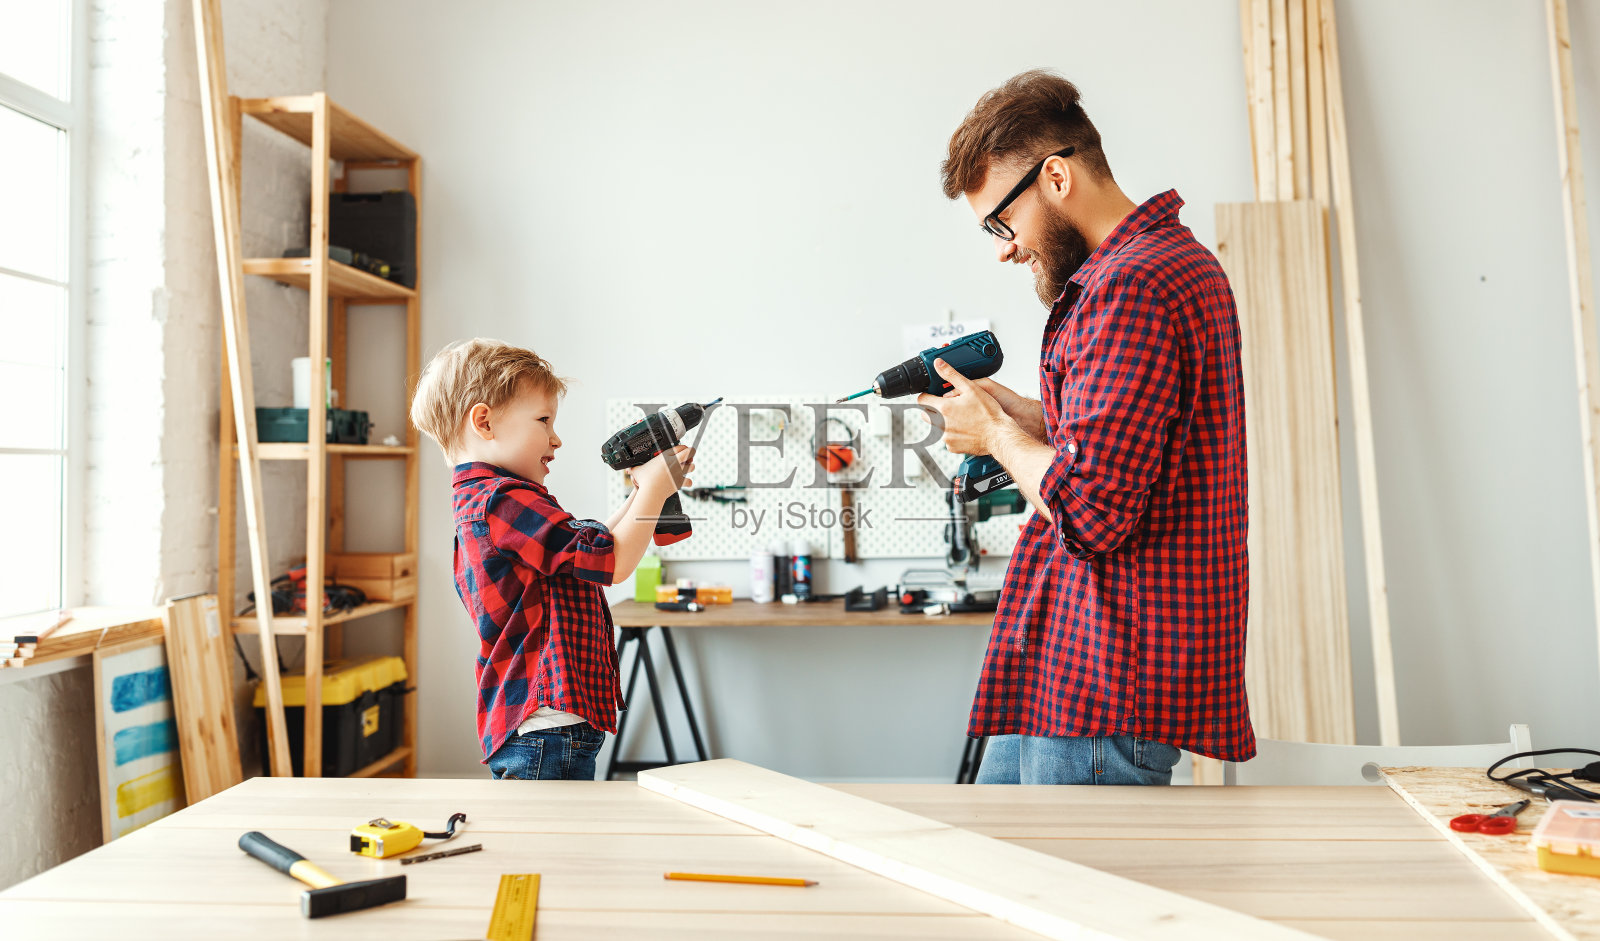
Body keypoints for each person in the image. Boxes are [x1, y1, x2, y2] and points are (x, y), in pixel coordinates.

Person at [920, 69, 1255, 785]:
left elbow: (1093, 507)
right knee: (1003, 868)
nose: (1004, 248)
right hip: (1073, 667)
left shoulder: (1130, 287)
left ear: (1056, 177)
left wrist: (994, 438)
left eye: (1001, 223)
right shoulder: (1166, 263)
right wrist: (1027, 417)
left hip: (1109, 675)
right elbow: (1137, 447)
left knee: (1066, 890)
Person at [409, 338, 693, 780]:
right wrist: (654, 490)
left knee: (554, 845)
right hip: (545, 727)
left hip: (547, 727)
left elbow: (590, 545)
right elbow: (610, 563)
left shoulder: (496, 502)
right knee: (552, 849)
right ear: (483, 421)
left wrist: (644, 491)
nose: (556, 438)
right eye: (544, 420)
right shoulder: (501, 502)